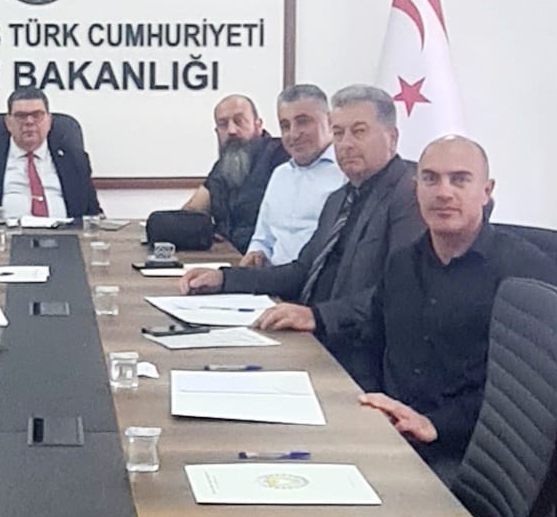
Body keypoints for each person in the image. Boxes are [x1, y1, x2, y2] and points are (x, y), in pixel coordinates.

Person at [179, 84, 425, 386]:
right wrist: (224, 279)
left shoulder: (410, 197)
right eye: (338, 133)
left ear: (392, 137)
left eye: (359, 132)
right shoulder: (340, 198)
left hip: (364, 364)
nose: (346, 144)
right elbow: (302, 271)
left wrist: (317, 316)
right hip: (317, 341)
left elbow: (399, 294)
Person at [358, 136, 557, 486]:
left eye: (460, 179)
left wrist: (435, 424)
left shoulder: (527, 274)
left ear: (486, 191)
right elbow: (370, 344)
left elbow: (527, 394)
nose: (443, 192)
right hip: (391, 433)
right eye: (430, 179)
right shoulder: (401, 264)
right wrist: (372, 403)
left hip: (472, 451)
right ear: (415, 188)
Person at [0, 87, 102, 219]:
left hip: (65, 240)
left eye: (37, 115)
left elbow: (93, 215)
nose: (29, 122)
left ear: (49, 120)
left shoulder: (74, 160)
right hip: (1, 242)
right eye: (21, 116)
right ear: (8, 122)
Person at [240, 85, 346, 267]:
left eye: (303, 122)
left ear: (330, 121)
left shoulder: (346, 174)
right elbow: (263, 239)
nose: (293, 134)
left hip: (316, 280)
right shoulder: (280, 175)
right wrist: (256, 253)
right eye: (285, 126)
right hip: (272, 279)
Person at [181, 93, 288, 252]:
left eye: (239, 121)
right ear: (217, 132)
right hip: (229, 257)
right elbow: (190, 212)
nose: (231, 130)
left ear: (258, 125)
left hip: (268, 258)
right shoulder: (223, 166)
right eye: (223, 124)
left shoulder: (281, 157)